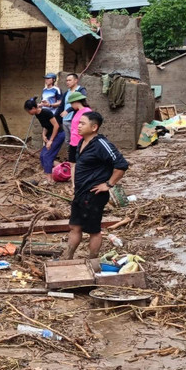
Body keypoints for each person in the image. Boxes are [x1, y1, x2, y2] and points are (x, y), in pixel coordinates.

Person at [64, 111, 129, 260]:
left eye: (82, 123)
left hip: (94, 195)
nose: (78, 126)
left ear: (94, 127)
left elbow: (121, 165)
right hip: (80, 194)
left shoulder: (102, 144)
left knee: (94, 231)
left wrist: (109, 184)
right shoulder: (81, 142)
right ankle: (67, 258)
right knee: (75, 227)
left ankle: (93, 260)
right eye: (78, 123)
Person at [24, 97, 64, 179]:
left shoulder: (46, 112)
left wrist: (51, 140)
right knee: (42, 155)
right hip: (50, 134)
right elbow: (45, 126)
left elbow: (56, 126)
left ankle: (49, 179)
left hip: (59, 134)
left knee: (47, 156)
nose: (28, 112)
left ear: (34, 108)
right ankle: (59, 169)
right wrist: (43, 135)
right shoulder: (37, 114)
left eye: (29, 110)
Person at [56, 73, 87, 138]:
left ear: (76, 80)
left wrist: (68, 110)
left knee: (76, 138)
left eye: (70, 80)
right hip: (65, 119)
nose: (67, 82)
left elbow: (80, 103)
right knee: (67, 140)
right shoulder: (66, 92)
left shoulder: (81, 90)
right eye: (66, 80)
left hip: (75, 120)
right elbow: (61, 106)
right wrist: (55, 117)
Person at [66, 92, 91, 166]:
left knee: (80, 164)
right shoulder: (77, 112)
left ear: (76, 102)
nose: (71, 105)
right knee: (72, 163)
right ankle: (74, 177)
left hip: (81, 141)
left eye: (71, 103)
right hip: (73, 141)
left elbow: (88, 127)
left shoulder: (87, 111)